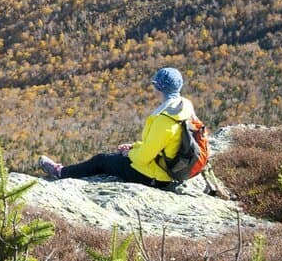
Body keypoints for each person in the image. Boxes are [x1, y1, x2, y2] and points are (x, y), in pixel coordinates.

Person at [38, 67, 194, 189]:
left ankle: (61, 173)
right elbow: (162, 146)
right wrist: (134, 146)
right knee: (114, 158)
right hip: (166, 169)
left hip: (155, 176)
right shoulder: (184, 107)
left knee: (101, 160)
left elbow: (145, 156)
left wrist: (130, 152)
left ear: (159, 88)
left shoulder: (165, 119)